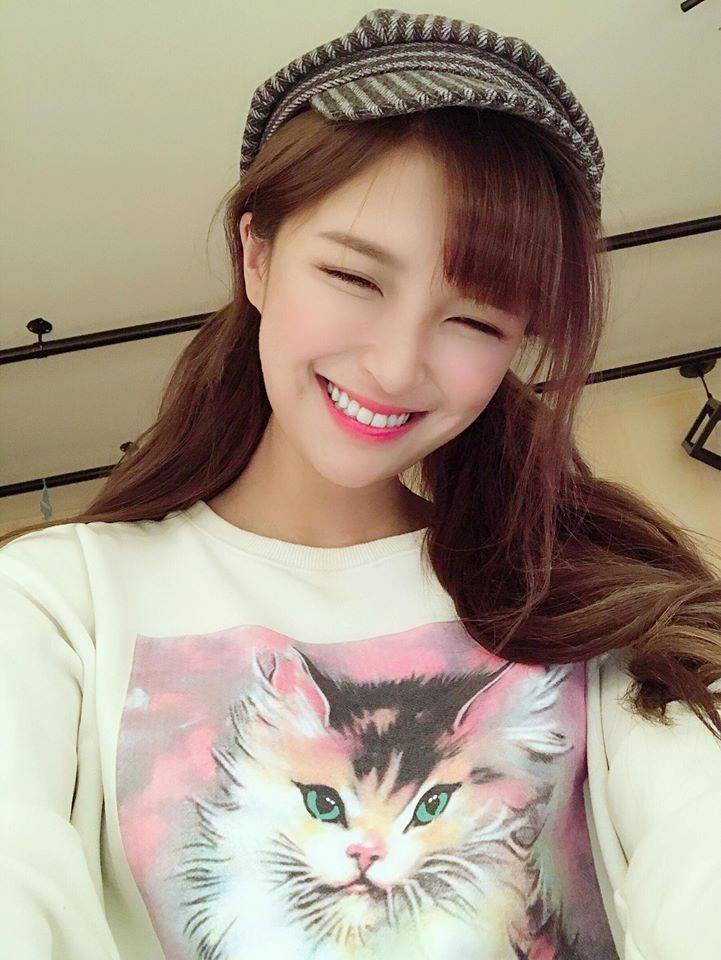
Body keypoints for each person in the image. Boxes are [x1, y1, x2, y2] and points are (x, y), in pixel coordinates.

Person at [2, 7, 720, 960]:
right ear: (257, 256)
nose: (393, 366)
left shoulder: (586, 609)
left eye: (476, 320)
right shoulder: (58, 603)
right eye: (354, 276)